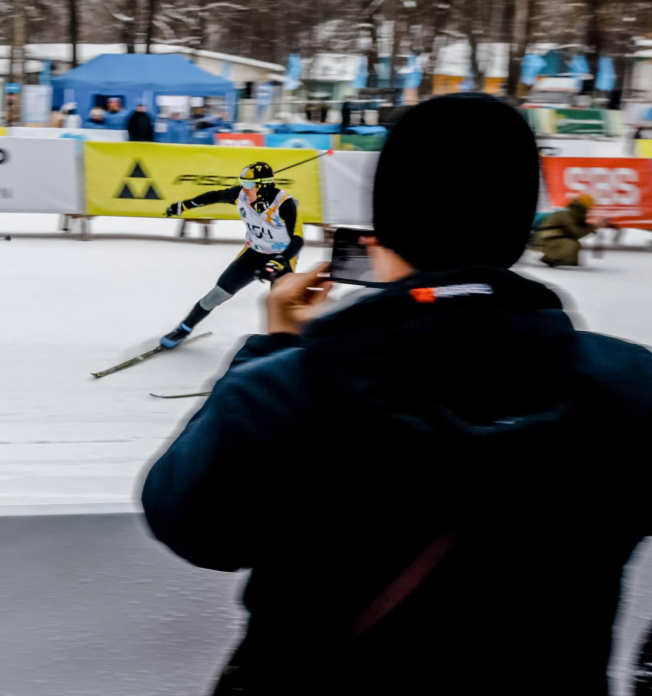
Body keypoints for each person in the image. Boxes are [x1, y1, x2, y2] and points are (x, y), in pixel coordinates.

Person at [140, 93, 652, 696]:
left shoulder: (284, 392)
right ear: (517, 226)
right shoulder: (631, 385)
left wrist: (275, 345)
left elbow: (190, 524)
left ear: (384, 229)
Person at [158, 161, 302, 348]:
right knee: (216, 295)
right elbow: (215, 196)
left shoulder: (285, 204)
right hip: (254, 253)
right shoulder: (241, 195)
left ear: (263, 185)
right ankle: (184, 328)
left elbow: (298, 240)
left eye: (249, 184)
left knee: (278, 305)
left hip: (282, 256)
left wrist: (277, 262)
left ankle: (283, 345)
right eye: (242, 183)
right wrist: (184, 206)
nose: (244, 188)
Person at [531, 194, 610, 267]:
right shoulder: (567, 214)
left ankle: (564, 261)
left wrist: (594, 226)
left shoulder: (574, 214)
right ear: (585, 206)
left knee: (574, 245)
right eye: (589, 208)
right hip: (543, 238)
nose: (590, 210)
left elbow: (580, 230)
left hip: (550, 237)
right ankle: (549, 258)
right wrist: (594, 226)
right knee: (571, 244)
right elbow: (576, 233)